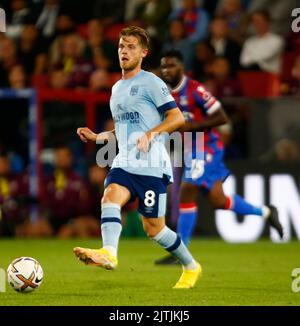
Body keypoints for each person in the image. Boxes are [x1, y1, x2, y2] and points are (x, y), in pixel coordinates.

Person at [73, 26, 201, 289]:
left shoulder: (152, 83)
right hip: (125, 161)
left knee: (154, 229)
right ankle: (109, 253)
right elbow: (124, 131)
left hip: (152, 165)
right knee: (110, 196)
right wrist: (99, 137)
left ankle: (191, 266)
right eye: (121, 46)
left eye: (131, 46)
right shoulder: (117, 88)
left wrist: (152, 134)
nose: (124, 51)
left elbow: (176, 118)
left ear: (143, 52)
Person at [155, 49, 284, 264]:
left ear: (181, 67)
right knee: (219, 200)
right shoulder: (164, 94)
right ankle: (267, 212)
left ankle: (181, 252)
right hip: (189, 149)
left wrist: (195, 126)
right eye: (164, 66)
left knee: (187, 191)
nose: (166, 70)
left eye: (171, 65)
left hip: (207, 146)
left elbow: (221, 117)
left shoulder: (195, 89)